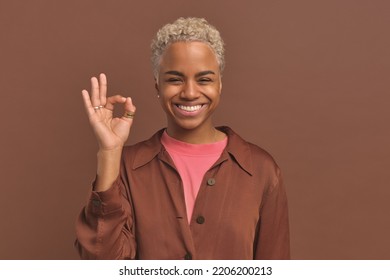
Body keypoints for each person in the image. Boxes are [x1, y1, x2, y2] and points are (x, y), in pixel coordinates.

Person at [75, 17, 290, 260]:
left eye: (204, 79)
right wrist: (109, 152)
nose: (189, 92)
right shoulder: (125, 167)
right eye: (175, 79)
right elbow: (102, 263)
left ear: (219, 84)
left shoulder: (262, 170)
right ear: (157, 86)